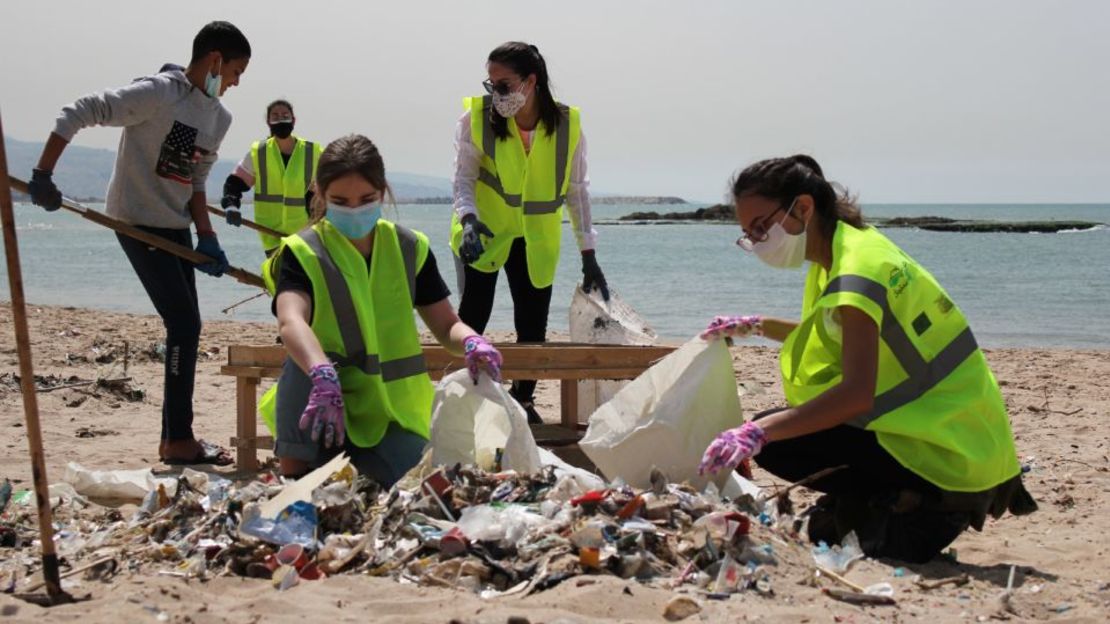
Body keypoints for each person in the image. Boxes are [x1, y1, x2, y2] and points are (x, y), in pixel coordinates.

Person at [698, 155, 1036, 562]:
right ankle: (893, 496)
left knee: (775, 440)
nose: (756, 242)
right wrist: (756, 325)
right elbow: (836, 335)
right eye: (748, 234)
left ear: (803, 208)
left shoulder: (857, 271)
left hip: (947, 450)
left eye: (760, 227)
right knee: (791, 456)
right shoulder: (847, 249)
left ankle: (926, 501)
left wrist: (757, 432)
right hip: (948, 429)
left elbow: (855, 395)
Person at [28, 21, 251, 466]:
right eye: (234, 72)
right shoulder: (157, 93)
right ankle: (177, 440)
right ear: (214, 60)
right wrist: (43, 174)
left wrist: (207, 238)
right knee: (184, 324)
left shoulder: (218, 117)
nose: (235, 83)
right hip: (135, 222)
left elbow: (196, 179)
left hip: (175, 227)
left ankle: (176, 437)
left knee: (188, 325)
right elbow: (78, 111)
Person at [259, 134, 502, 487]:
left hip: (389, 416)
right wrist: (322, 372)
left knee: (427, 488)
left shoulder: (408, 247)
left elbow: (446, 323)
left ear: (383, 193)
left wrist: (471, 341)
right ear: (320, 194)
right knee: (301, 374)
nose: (355, 210)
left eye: (366, 200)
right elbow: (290, 319)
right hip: (323, 406)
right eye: (340, 201)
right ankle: (297, 472)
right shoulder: (303, 251)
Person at [451, 41, 608, 424]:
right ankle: (466, 391)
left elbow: (577, 191)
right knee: (473, 315)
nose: (495, 94)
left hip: (536, 237)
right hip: (484, 232)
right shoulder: (475, 119)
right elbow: (463, 179)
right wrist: (467, 219)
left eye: (503, 84)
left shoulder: (567, 125)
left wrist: (588, 252)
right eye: (491, 85)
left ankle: (523, 400)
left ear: (531, 81)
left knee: (532, 322)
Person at [221, 99, 322, 254]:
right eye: (275, 116)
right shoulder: (259, 152)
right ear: (268, 122)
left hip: (305, 235)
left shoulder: (312, 152)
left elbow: (330, 189)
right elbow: (234, 183)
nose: (280, 119)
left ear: (294, 120)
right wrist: (231, 204)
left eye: (285, 115)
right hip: (271, 236)